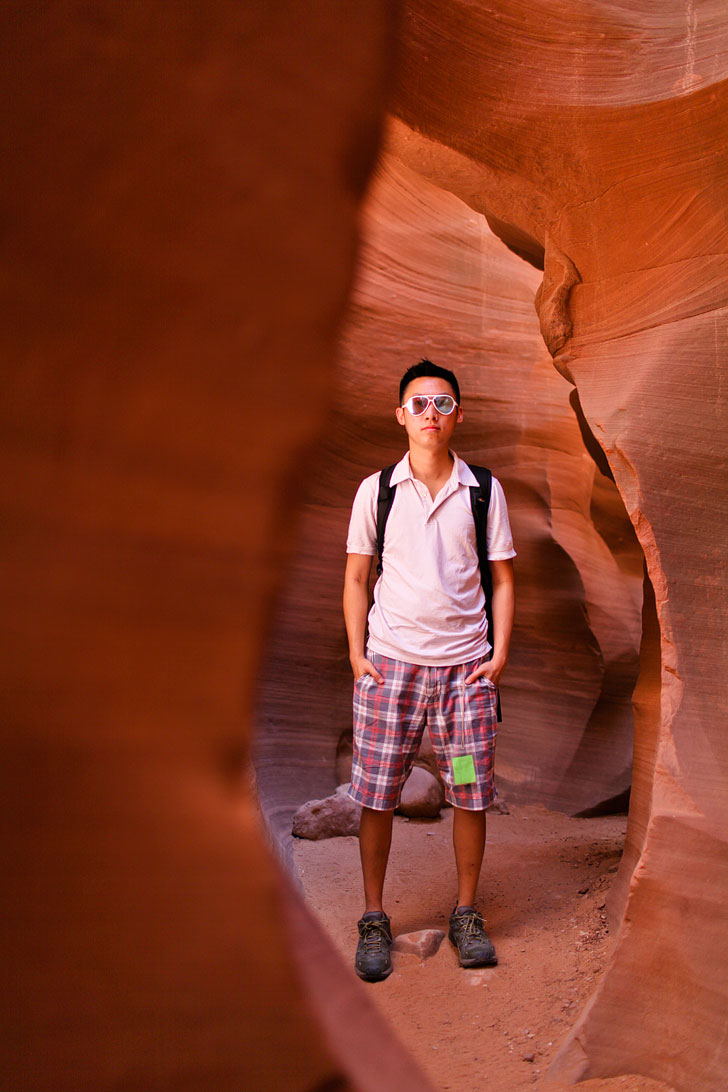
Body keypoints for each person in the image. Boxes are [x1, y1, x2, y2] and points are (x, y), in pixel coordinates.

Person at [343, 359, 516, 982]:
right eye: (419, 404)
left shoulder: (483, 490)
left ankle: (466, 912)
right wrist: (360, 657)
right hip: (391, 673)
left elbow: (500, 578)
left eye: (442, 404)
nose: (430, 415)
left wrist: (497, 658)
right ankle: (372, 916)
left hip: (463, 680)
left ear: (458, 415)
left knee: (468, 791)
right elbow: (357, 577)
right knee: (378, 794)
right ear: (400, 415)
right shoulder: (378, 490)